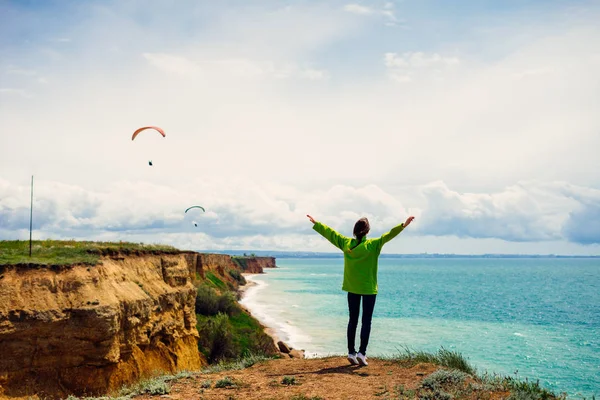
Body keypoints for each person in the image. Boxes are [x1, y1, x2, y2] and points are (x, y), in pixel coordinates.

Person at [306, 214, 415, 366]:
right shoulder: (373, 245)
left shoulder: (346, 243)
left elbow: (331, 234)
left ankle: (351, 352)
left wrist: (317, 224)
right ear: (367, 231)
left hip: (352, 287)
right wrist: (403, 225)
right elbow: (388, 235)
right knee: (366, 321)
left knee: (353, 320)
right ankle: (362, 353)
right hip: (369, 289)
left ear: (354, 231)